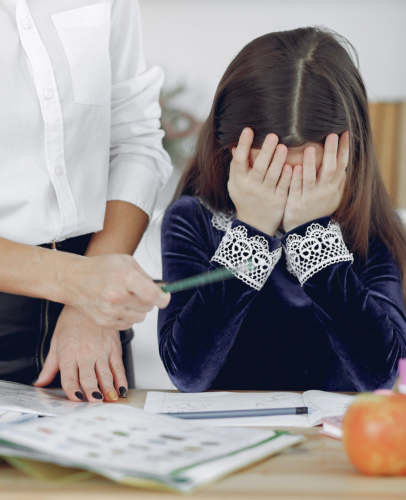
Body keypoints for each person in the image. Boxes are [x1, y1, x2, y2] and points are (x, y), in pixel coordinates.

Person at [0, 0, 172, 402]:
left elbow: (136, 141)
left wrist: (90, 303)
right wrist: (78, 282)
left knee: (102, 464)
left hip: (93, 334)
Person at [158, 27, 406, 393]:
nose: (290, 191)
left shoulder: (366, 226)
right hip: (230, 437)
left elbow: (384, 377)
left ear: (348, 159)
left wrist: (312, 233)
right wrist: (253, 229)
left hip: (331, 444)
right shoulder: (193, 219)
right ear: (231, 153)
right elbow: (187, 373)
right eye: (269, 173)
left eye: (310, 174)